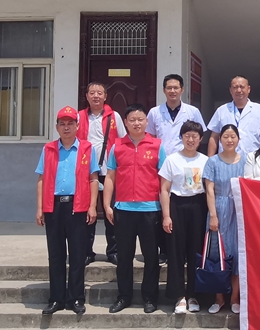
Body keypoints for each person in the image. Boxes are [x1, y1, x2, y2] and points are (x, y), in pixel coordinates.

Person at [34, 106, 99, 315]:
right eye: (62, 124)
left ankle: (76, 298)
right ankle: (56, 298)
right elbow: (42, 179)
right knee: (56, 254)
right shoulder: (49, 149)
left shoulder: (87, 148)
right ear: (57, 127)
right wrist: (39, 208)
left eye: (70, 123)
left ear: (77, 126)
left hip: (77, 206)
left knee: (78, 255)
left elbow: (93, 179)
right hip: (53, 206)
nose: (66, 127)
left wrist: (92, 206)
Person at [103, 104, 166, 314]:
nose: (136, 123)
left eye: (140, 119)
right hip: (123, 209)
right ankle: (124, 296)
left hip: (150, 209)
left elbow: (164, 181)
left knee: (151, 256)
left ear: (147, 122)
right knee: (124, 256)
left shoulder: (157, 145)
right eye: (132, 120)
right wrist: (107, 205)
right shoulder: (117, 146)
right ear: (126, 122)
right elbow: (110, 177)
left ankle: (150, 297)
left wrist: (165, 211)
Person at [158, 121, 209, 315]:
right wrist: (166, 216)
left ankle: (194, 295)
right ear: (181, 137)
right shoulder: (172, 159)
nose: (190, 139)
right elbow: (164, 189)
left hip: (198, 206)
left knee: (196, 252)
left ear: (200, 139)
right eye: (187, 135)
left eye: (194, 136)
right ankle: (179, 296)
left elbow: (209, 189)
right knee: (176, 252)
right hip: (177, 206)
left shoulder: (205, 160)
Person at [77, 82, 127, 266]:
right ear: (87, 96)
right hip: (86, 172)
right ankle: (86, 251)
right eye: (92, 93)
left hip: (110, 173)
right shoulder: (79, 117)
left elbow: (122, 141)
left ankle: (113, 251)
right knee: (86, 213)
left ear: (105, 96)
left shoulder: (114, 116)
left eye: (99, 93)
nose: (96, 96)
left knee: (111, 213)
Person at [202, 124, 244, 314]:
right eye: (225, 136)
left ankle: (235, 297)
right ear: (220, 140)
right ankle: (218, 298)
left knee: (237, 253)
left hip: (239, 211)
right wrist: (213, 215)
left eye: (233, 136)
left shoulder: (246, 161)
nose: (229, 140)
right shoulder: (212, 162)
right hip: (218, 209)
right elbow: (209, 190)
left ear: (238, 139)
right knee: (217, 253)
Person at [207, 75, 260, 156]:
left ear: (248, 89)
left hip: (253, 159)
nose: (239, 90)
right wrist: (210, 159)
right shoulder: (221, 110)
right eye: (235, 87)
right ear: (230, 90)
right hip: (226, 160)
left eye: (242, 87)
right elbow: (214, 137)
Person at [146, 74, 206, 155]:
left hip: (185, 157)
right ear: (164, 90)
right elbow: (150, 136)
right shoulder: (154, 112)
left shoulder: (193, 111)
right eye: (169, 88)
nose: (172, 91)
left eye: (176, 88)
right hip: (161, 157)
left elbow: (199, 135)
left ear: (182, 90)